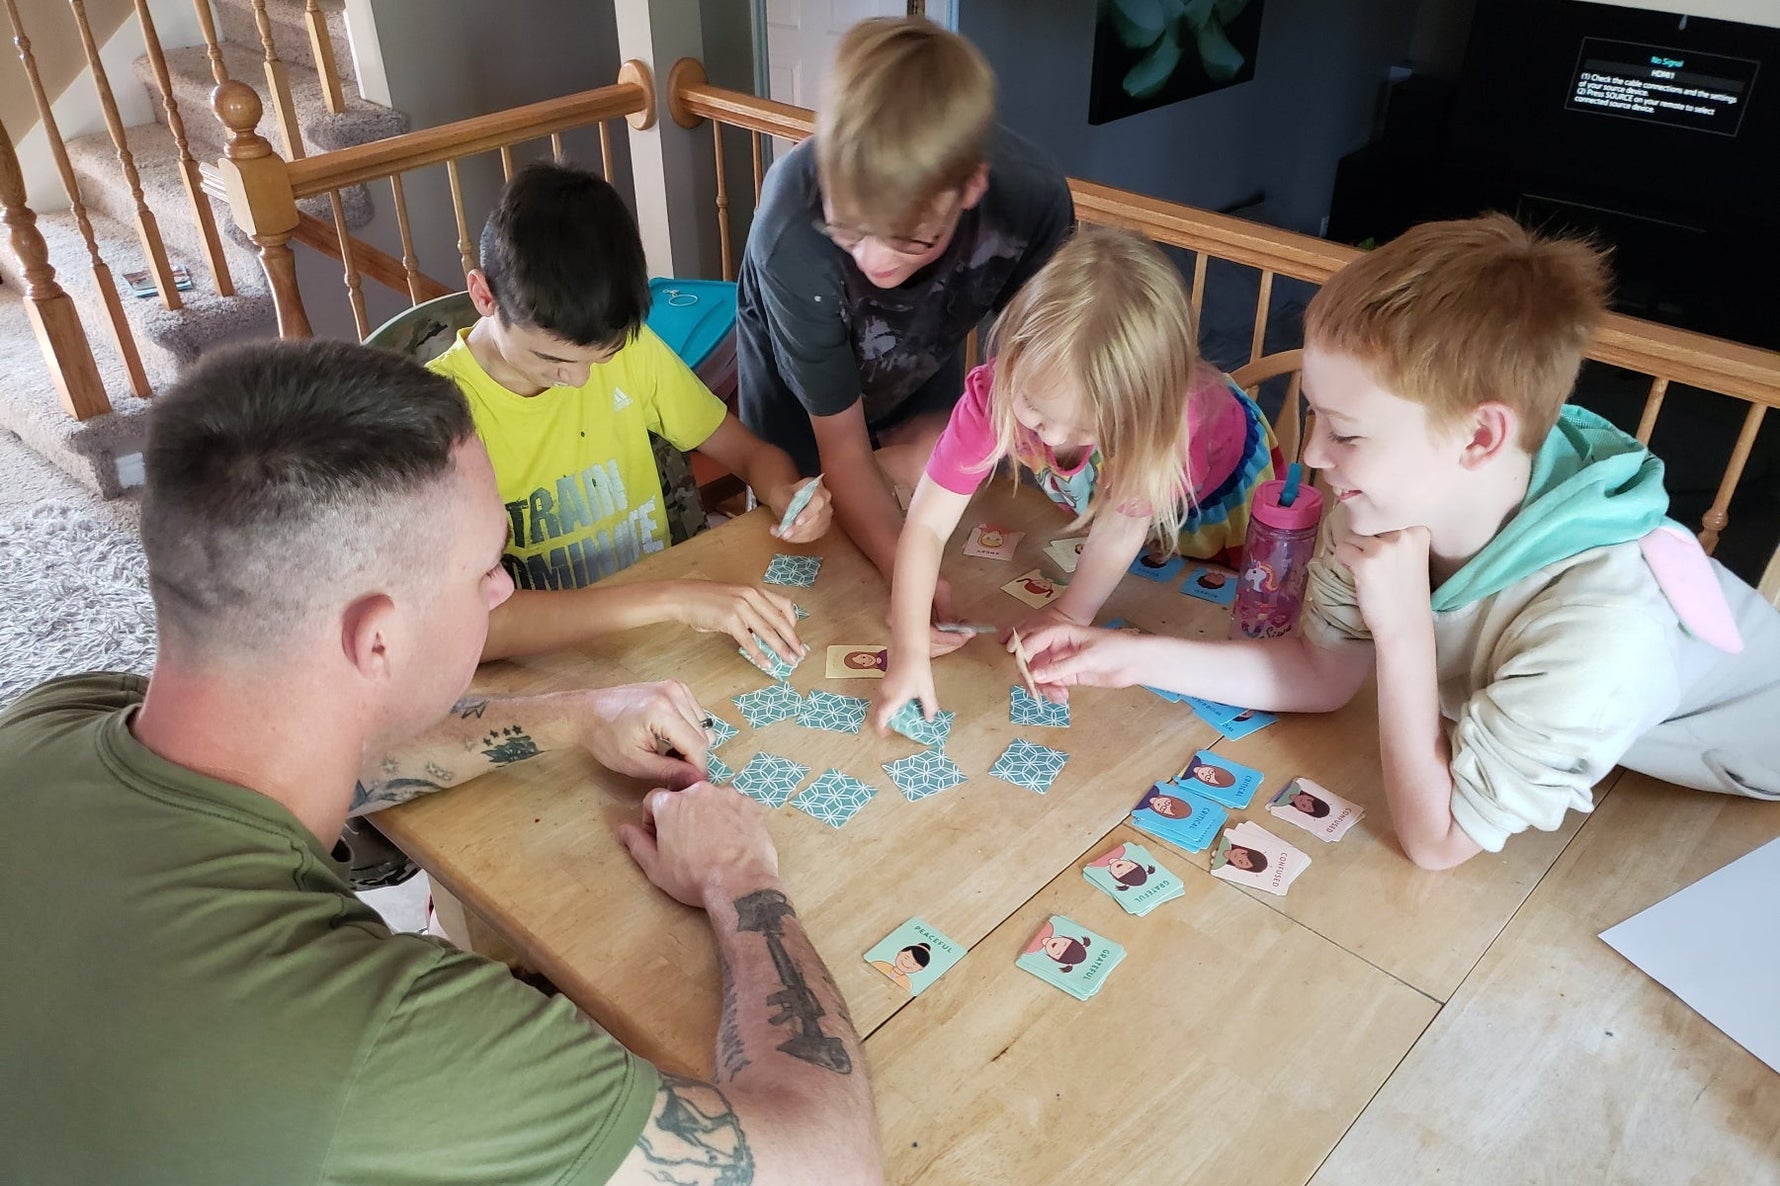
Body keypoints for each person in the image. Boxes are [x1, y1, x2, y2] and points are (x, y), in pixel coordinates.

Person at [0, 341, 881, 1186]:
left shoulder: (46, 720)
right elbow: (827, 1169)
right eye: (487, 570)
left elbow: (328, 748)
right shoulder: (397, 1040)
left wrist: (576, 717)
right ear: (376, 639)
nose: (503, 592)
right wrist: (741, 879)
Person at [1025, 214, 1780, 870]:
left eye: (1346, 431)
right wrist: (1124, 658)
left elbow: (1439, 840)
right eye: (1314, 415)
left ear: (1480, 436)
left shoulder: (1607, 630)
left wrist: (1405, 631)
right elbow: (1320, 675)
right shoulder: (1383, 498)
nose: (1313, 455)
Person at [735, 15, 1074, 627]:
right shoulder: (790, 234)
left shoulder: (1032, 200)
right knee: (823, 591)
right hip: (802, 431)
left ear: (970, 187)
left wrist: (959, 430)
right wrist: (911, 583)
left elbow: (1045, 371)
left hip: (923, 397)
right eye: (848, 231)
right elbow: (838, 449)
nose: (872, 261)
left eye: (910, 241)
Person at [873, 227, 1280, 729]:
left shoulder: (1161, 424)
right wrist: (909, 646)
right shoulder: (993, 395)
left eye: (1086, 426)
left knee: (1236, 604)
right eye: (1034, 408)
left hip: (1221, 505)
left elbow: (1121, 527)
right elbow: (927, 525)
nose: (1052, 434)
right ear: (1015, 356)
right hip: (1119, 501)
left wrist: (1071, 614)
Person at [429, 161, 832, 667]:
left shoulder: (637, 352)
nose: (577, 381)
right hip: (547, 664)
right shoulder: (439, 419)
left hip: (663, 638)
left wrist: (784, 492)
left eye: (601, 358)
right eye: (551, 360)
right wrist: (671, 598)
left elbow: (748, 451)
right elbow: (469, 630)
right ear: (484, 297)